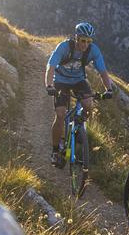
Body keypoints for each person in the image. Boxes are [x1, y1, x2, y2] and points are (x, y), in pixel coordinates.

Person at [45, 21, 114, 166]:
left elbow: (103, 71)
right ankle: (55, 150)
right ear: (76, 38)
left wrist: (109, 89)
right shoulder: (64, 47)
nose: (86, 44)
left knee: (88, 104)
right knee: (60, 114)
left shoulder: (93, 50)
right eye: (83, 40)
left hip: (79, 81)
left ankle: (78, 127)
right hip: (61, 81)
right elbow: (51, 66)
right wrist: (49, 85)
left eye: (89, 41)